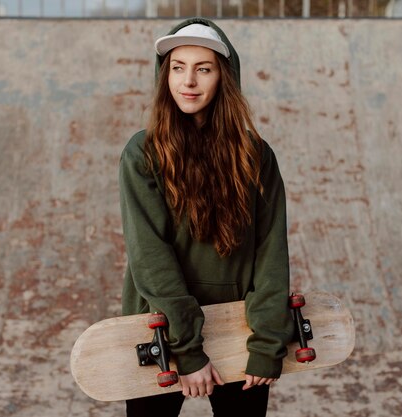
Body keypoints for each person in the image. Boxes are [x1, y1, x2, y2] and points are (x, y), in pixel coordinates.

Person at [119, 18, 294, 417]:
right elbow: (149, 255)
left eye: (204, 68)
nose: (188, 81)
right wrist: (187, 349)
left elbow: (270, 250)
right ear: (165, 76)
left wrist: (268, 341)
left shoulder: (255, 154)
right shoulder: (143, 153)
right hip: (161, 329)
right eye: (178, 67)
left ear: (224, 77)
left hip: (239, 327)